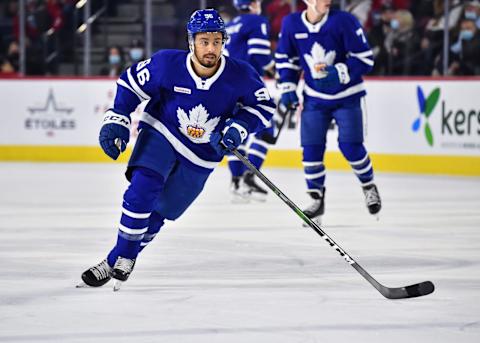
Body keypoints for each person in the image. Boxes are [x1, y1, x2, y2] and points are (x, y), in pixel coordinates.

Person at [78, 8, 275, 290]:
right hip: (163, 132)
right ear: (191, 41)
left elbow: (263, 107)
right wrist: (118, 117)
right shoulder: (167, 64)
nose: (211, 48)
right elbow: (130, 83)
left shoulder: (240, 74)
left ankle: (113, 260)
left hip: (203, 154)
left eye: (217, 41)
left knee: (161, 212)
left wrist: (238, 127)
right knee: (140, 192)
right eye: (204, 41)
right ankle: (127, 255)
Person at [275, 0, 381, 225]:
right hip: (314, 99)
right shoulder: (291, 23)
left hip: (348, 97)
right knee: (311, 151)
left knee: (351, 147)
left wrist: (341, 72)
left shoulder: (344, 21)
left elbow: (365, 58)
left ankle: (368, 185)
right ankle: (316, 200)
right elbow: (287, 60)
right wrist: (287, 86)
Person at [224, 0, 275, 202]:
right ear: (253, 4)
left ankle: (236, 180)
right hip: (248, 82)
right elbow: (260, 53)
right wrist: (275, 69)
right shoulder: (256, 20)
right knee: (266, 129)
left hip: (227, 84)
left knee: (238, 130)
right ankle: (249, 178)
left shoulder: (229, 25)